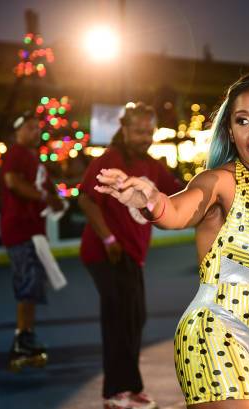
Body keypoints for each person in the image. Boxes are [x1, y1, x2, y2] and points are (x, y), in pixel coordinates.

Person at [96, 73, 249, 409]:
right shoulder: (219, 181)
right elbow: (176, 210)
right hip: (214, 334)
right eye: (243, 120)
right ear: (231, 132)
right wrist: (150, 200)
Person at [78, 102, 182, 409]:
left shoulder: (151, 165)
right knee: (119, 319)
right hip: (105, 252)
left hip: (132, 255)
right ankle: (114, 392)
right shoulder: (110, 159)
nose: (144, 137)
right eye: (138, 131)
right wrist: (108, 237)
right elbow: (86, 199)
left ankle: (131, 387)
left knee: (135, 318)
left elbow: (178, 192)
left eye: (148, 131)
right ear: (124, 129)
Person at [0, 111, 65, 371]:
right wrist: (44, 197)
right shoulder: (16, 153)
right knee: (27, 285)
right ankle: (21, 340)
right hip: (20, 230)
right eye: (30, 128)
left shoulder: (33, 158)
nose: (36, 132)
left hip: (31, 232)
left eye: (37, 128)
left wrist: (54, 197)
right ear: (18, 131)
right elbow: (12, 182)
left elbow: (50, 190)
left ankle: (26, 337)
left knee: (32, 285)